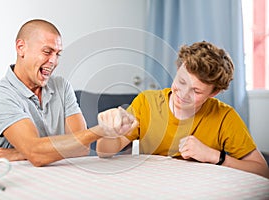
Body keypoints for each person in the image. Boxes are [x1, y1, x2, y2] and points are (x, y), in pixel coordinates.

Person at [96, 41, 269, 179]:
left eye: (196, 91)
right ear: (178, 69)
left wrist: (214, 156)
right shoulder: (146, 102)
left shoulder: (225, 117)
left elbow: (262, 171)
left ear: (214, 92)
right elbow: (103, 152)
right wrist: (110, 132)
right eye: (182, 81)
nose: (183, 94)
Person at [0, 19, 136, 167]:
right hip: (16, 179)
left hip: (60, 177)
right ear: (21, 47)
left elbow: (82, 148)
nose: (53, 61)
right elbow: (36, 154)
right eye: (47, 52)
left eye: (57, 54)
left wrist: (19, 154)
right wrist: (100, 130)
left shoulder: (61, 86)